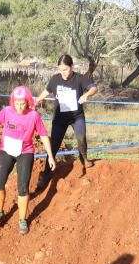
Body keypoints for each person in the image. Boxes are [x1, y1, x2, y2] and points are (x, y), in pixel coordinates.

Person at [0, 86, 55, 235]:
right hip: (6, 150)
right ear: (12, 102)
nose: (20, 106)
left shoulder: (34, 115)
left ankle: (22, 219)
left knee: (22, 187)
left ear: (28, 102)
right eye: (17, 103)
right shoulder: (6, 111)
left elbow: (43, 135)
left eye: (22, 103)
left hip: (25, 152)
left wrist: (50, 155)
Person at [35, 55, 98, 190]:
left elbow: (94, 88)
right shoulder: (55, 79)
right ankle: (46, 174)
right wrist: (36, 101)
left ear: (71, 67)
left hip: (77, 116)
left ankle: (84, 159)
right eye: (60, 69)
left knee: (81, 138)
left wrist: (86, 95)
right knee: (53, 146)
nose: (63, 72)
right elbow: (46, 91)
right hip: (60, 119)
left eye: (65, 69)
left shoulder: (79, 78)